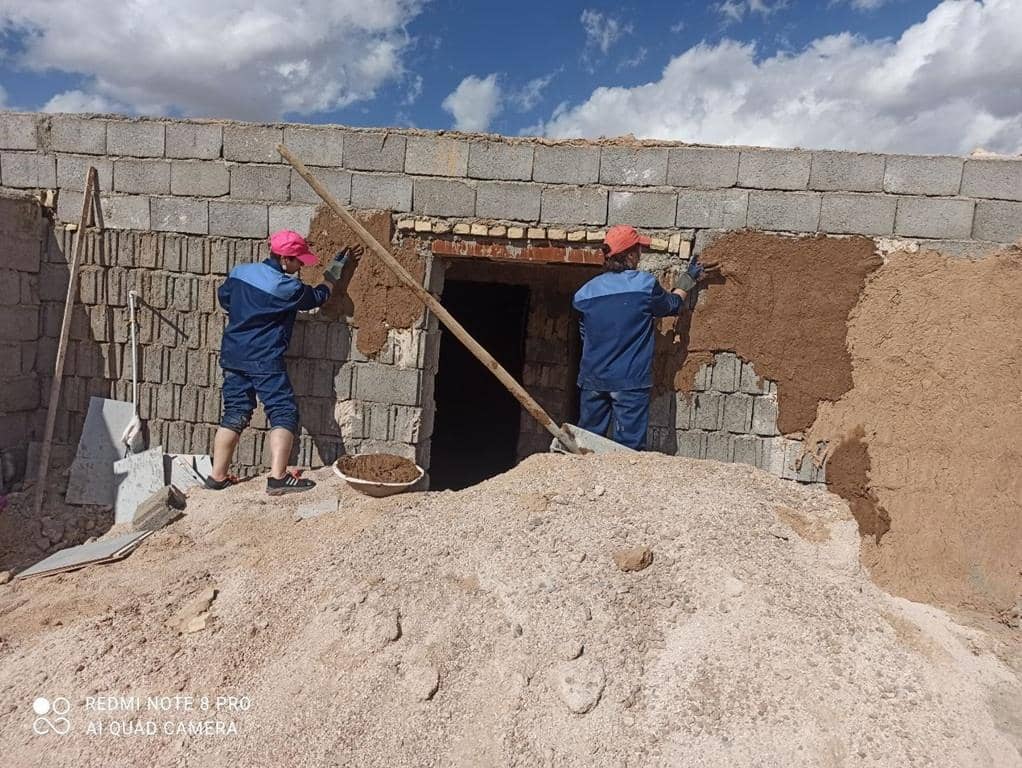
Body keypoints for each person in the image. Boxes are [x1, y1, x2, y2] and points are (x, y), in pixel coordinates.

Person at [204, 230, 354, 495]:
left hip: (233, 352)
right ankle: (278, 478)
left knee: (236, 411)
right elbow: (317, 298)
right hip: (263, 357)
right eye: (298, 262)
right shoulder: (284, 286)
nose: (300, 268)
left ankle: (217, 477)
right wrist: (333, 274)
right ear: (284, 259)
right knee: (283, 412)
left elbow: (225, 298)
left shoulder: (240, 272)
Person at [572, 224, 713, 450]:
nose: (641, 255)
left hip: (593, 379)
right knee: (629, 450)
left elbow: (584, 335)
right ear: (629, 255)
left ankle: (581, 484)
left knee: (586, 443)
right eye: (639, 250)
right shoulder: (643, 286)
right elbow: (672, 305)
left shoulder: (585, 293)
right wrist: (688, 279)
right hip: (629, 382)